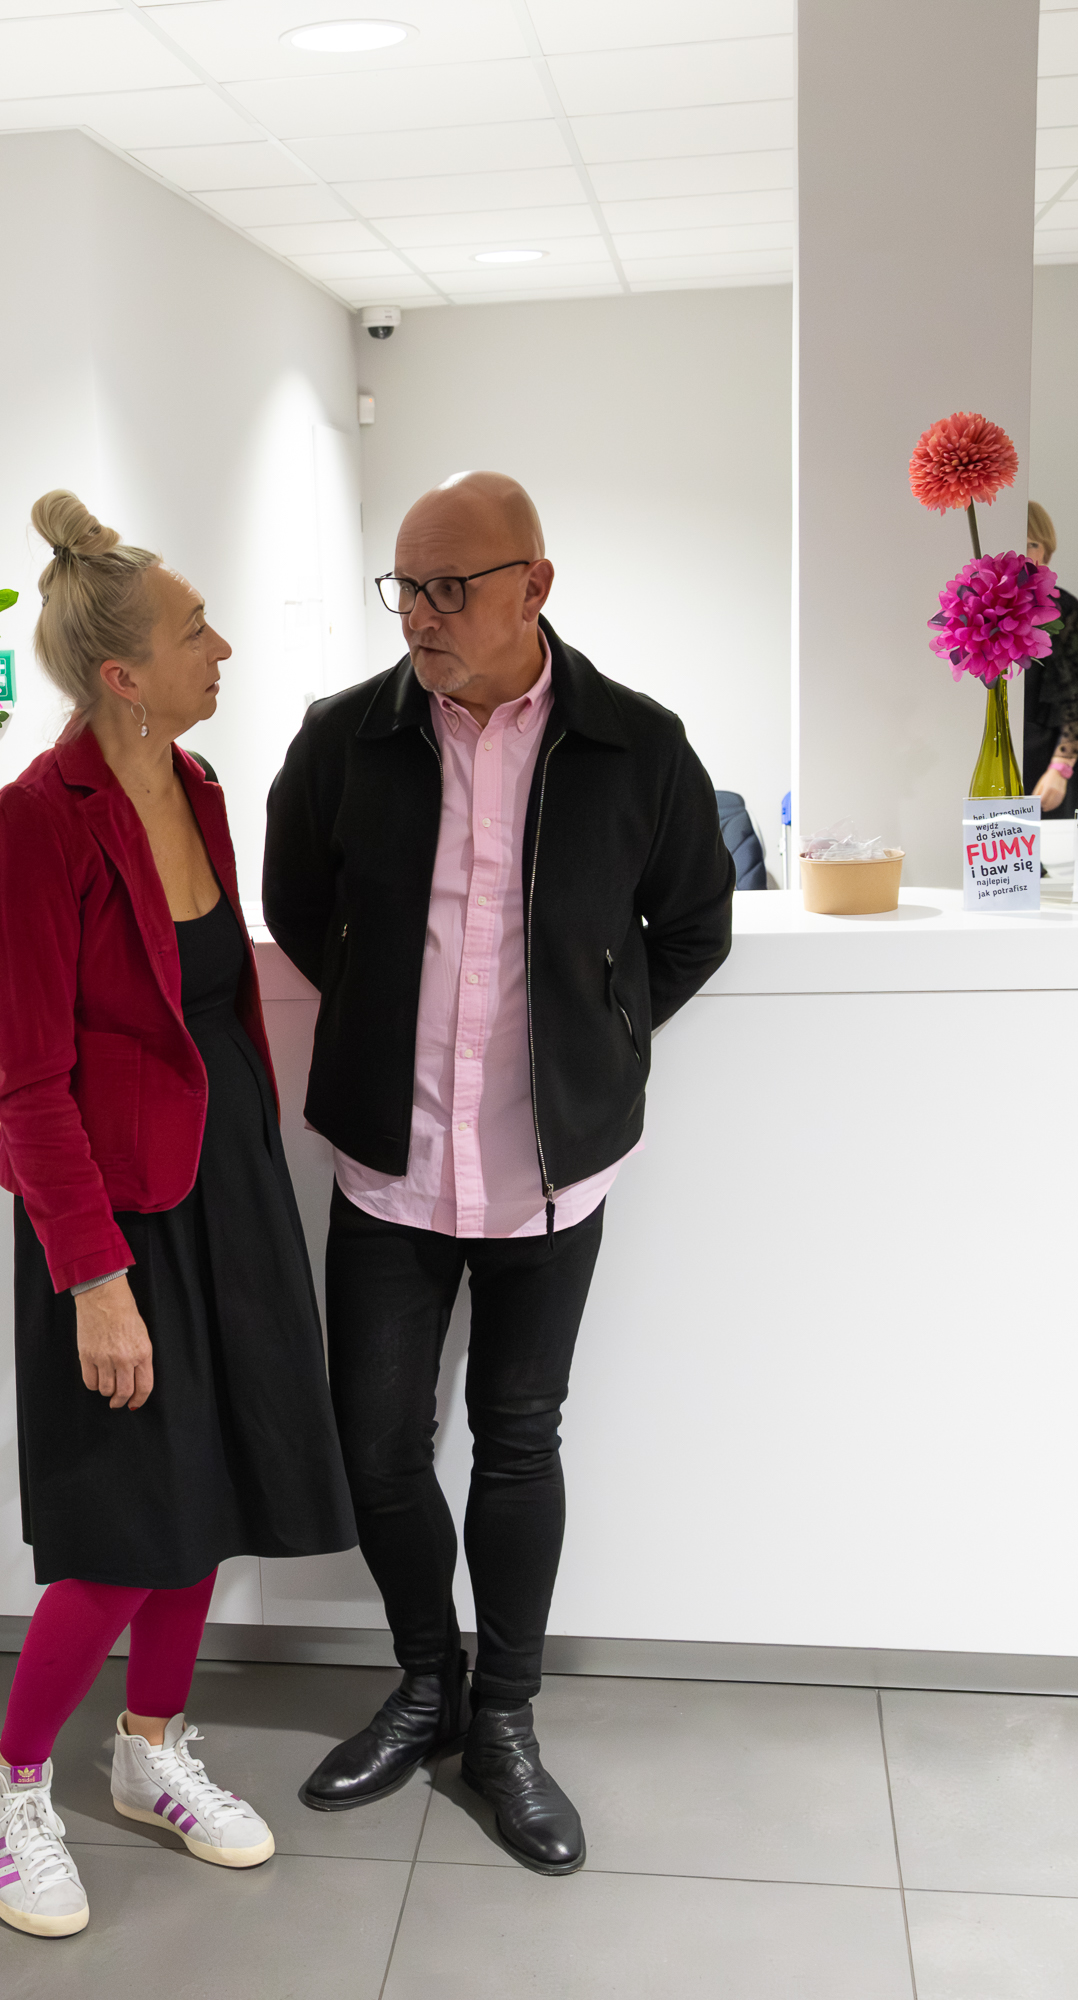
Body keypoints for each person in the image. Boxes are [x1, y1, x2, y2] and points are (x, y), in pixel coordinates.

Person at [263, 471, 732, 1876]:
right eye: (404, 586)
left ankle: (508, 1721)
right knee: (376, 1446)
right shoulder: (343, 738)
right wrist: (379, 1017)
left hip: (548, 1170)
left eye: (450, 588)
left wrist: (600, 1034)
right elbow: (297, 906)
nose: (420, 614)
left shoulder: (635, 744)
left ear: (535, 584)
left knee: (519, 1437)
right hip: (388, 1161)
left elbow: (692, 927)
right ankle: (429, 1683)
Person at [0, 490, 356, 1939]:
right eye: (198, 631)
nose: (223, 648)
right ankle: (8, 1783)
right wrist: (94, 1278)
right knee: (126, 1523)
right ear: (121, 673)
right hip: (116, 1220)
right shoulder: (27, 829)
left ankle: (147, 1750)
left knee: (215, 1494)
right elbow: (30, 1081)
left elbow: (209, 1012)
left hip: (228, 1187)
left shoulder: (196, 787)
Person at [1025, 501, 1078, 819]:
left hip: (1046, 762)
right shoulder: (980, 608)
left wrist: (1061, 768)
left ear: (1046, 552)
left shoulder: (1064, 610)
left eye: (1032, 544)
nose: (1023, 553)